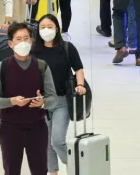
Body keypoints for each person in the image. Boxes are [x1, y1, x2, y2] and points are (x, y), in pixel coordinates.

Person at [0, 23, 57, 175]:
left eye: (26, 38)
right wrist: (11, 101)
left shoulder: (41, 66)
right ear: (10, 44)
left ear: (31, 41)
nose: (23, 42)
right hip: (10, 129)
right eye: (18, 39)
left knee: (40, 170)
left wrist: (42, 102)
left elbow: (53, 99)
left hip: (37, 128)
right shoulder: (2, 67)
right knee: (11, 170)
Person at [31, 14, 86, 175]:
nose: (46, 30)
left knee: (57, 141)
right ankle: (53, 172)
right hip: (42, 103)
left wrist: (80, 84)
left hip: (62, 100)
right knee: (47, 143)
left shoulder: (67, 48)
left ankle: (76, 168)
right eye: (42, 27)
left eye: (50, 27)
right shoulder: (34, 51)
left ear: (57, 29)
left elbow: (78, 69)